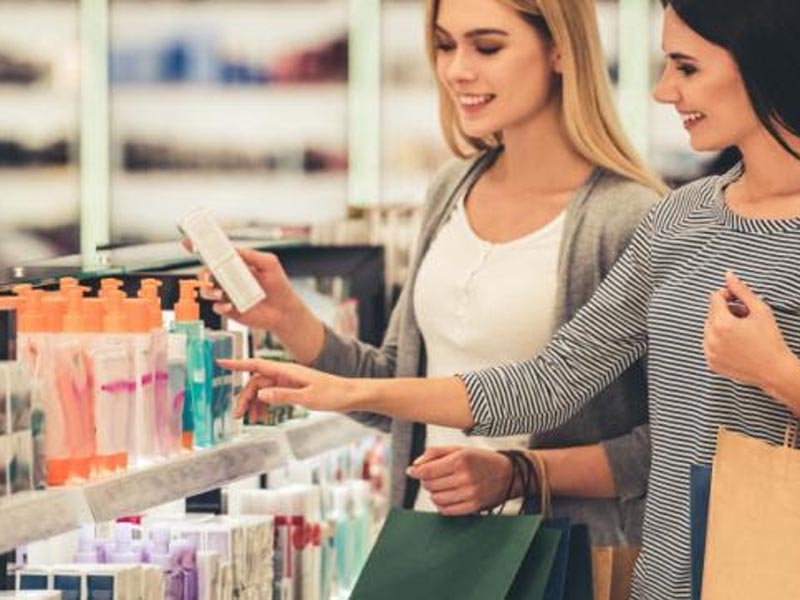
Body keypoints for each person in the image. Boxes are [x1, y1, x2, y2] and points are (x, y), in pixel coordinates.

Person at [221, 1, 800, 598]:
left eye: (686, 67)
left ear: (760, 61)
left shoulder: (630, 211)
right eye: (445, 46)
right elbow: (550, 381)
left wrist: (777, 373)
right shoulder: (682, 217)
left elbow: (642, 443)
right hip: (667, 578)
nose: (662, 91)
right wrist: (347, 385)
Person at [206, 0, 662, 546]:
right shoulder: (453, 187)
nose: (456, 70)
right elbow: (400, 391)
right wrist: (290, 319)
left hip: (560, 558)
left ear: (560, 48)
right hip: (430, 542)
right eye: (445, 45)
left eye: (487, 47)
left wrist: (520, 472)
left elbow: (663, 446)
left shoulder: (628, 218)